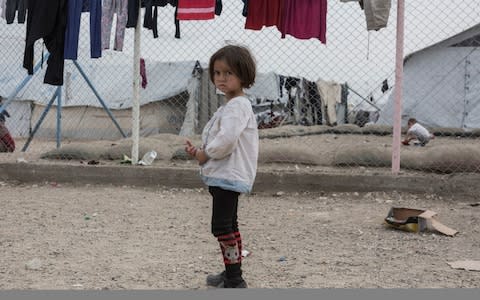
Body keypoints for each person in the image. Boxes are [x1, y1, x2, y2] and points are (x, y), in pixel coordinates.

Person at [184, 45, 258, 289]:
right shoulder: (232, 105)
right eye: (217, 73)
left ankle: (235, 279)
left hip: (228, 175)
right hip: (226, 175)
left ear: (243, 75)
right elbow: (221, 138)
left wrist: (205, 154)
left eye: (229, 73)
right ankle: (231, 273)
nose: (222, 78)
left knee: (221, 227)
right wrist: (199, 151)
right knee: (230, 225)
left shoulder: (237, 106)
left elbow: (226, 141)